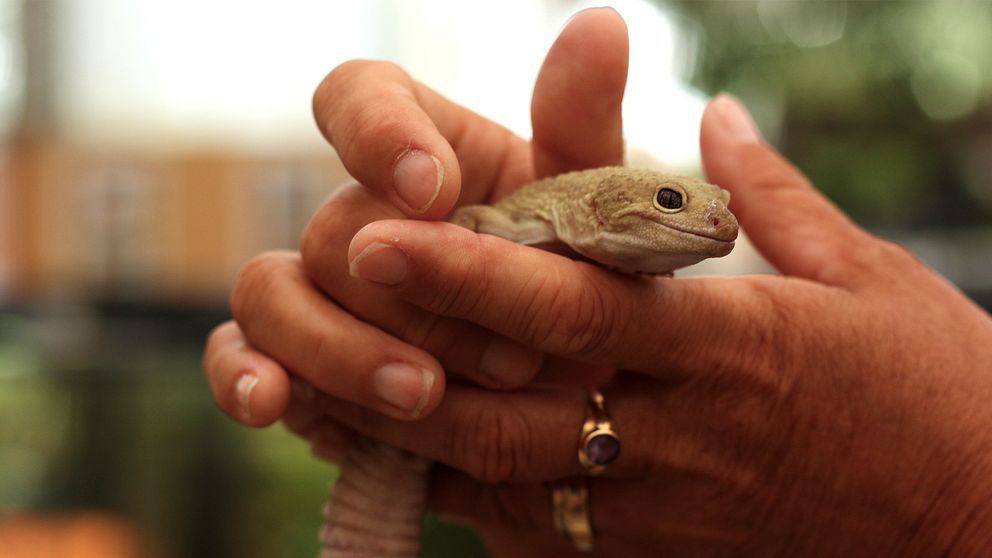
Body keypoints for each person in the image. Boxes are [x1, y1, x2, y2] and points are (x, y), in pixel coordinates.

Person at [202, 8, 992, 557]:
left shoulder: (641, 264)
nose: (718, 223)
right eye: (677, 200)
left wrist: (955, 502)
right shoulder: (501, 221)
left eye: (714, 208)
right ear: (606, 203)